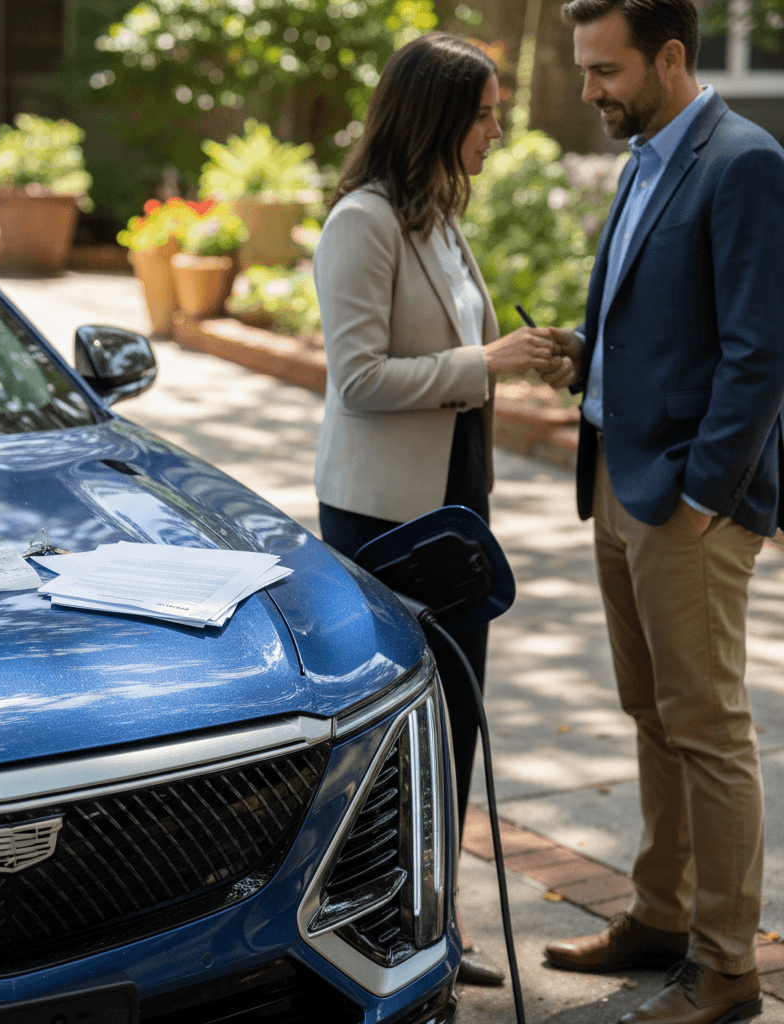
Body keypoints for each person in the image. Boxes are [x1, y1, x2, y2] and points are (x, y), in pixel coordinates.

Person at [538, 1, 784, 1021]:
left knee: (708, 727)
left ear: (671, 57)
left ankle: (725, 965)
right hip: (615, 477)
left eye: (604, 71)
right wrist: (585, 365)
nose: (589, 91)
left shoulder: (744, 162)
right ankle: (659, 913)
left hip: (685, 503)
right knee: (652, 717)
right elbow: (664, 320)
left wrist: (699, 497)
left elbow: (758, 351)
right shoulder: (646, 151)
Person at [312, 31, 557, 987]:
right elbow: (358, 378)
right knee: (391, 738)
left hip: (461, 497)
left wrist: (532, 354)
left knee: (453, 721)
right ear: (439, 117)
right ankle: (386, 937)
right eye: (487, 112)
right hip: (387, 518)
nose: (499, 127)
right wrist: (484, 366)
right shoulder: (362, 222)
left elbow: (470, 344)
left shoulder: (440, 219)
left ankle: (437, 930)